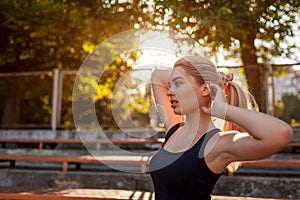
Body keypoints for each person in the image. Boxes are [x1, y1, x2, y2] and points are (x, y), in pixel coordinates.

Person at [149, 55, 293, 200]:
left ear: (205, 89)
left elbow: (281, 133)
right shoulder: (174, 130)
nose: (169, 91)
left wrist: (223, 109)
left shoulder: (217, 144)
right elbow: (157, 76)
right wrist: (214, 79)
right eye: (170, 84)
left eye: (178, 84)